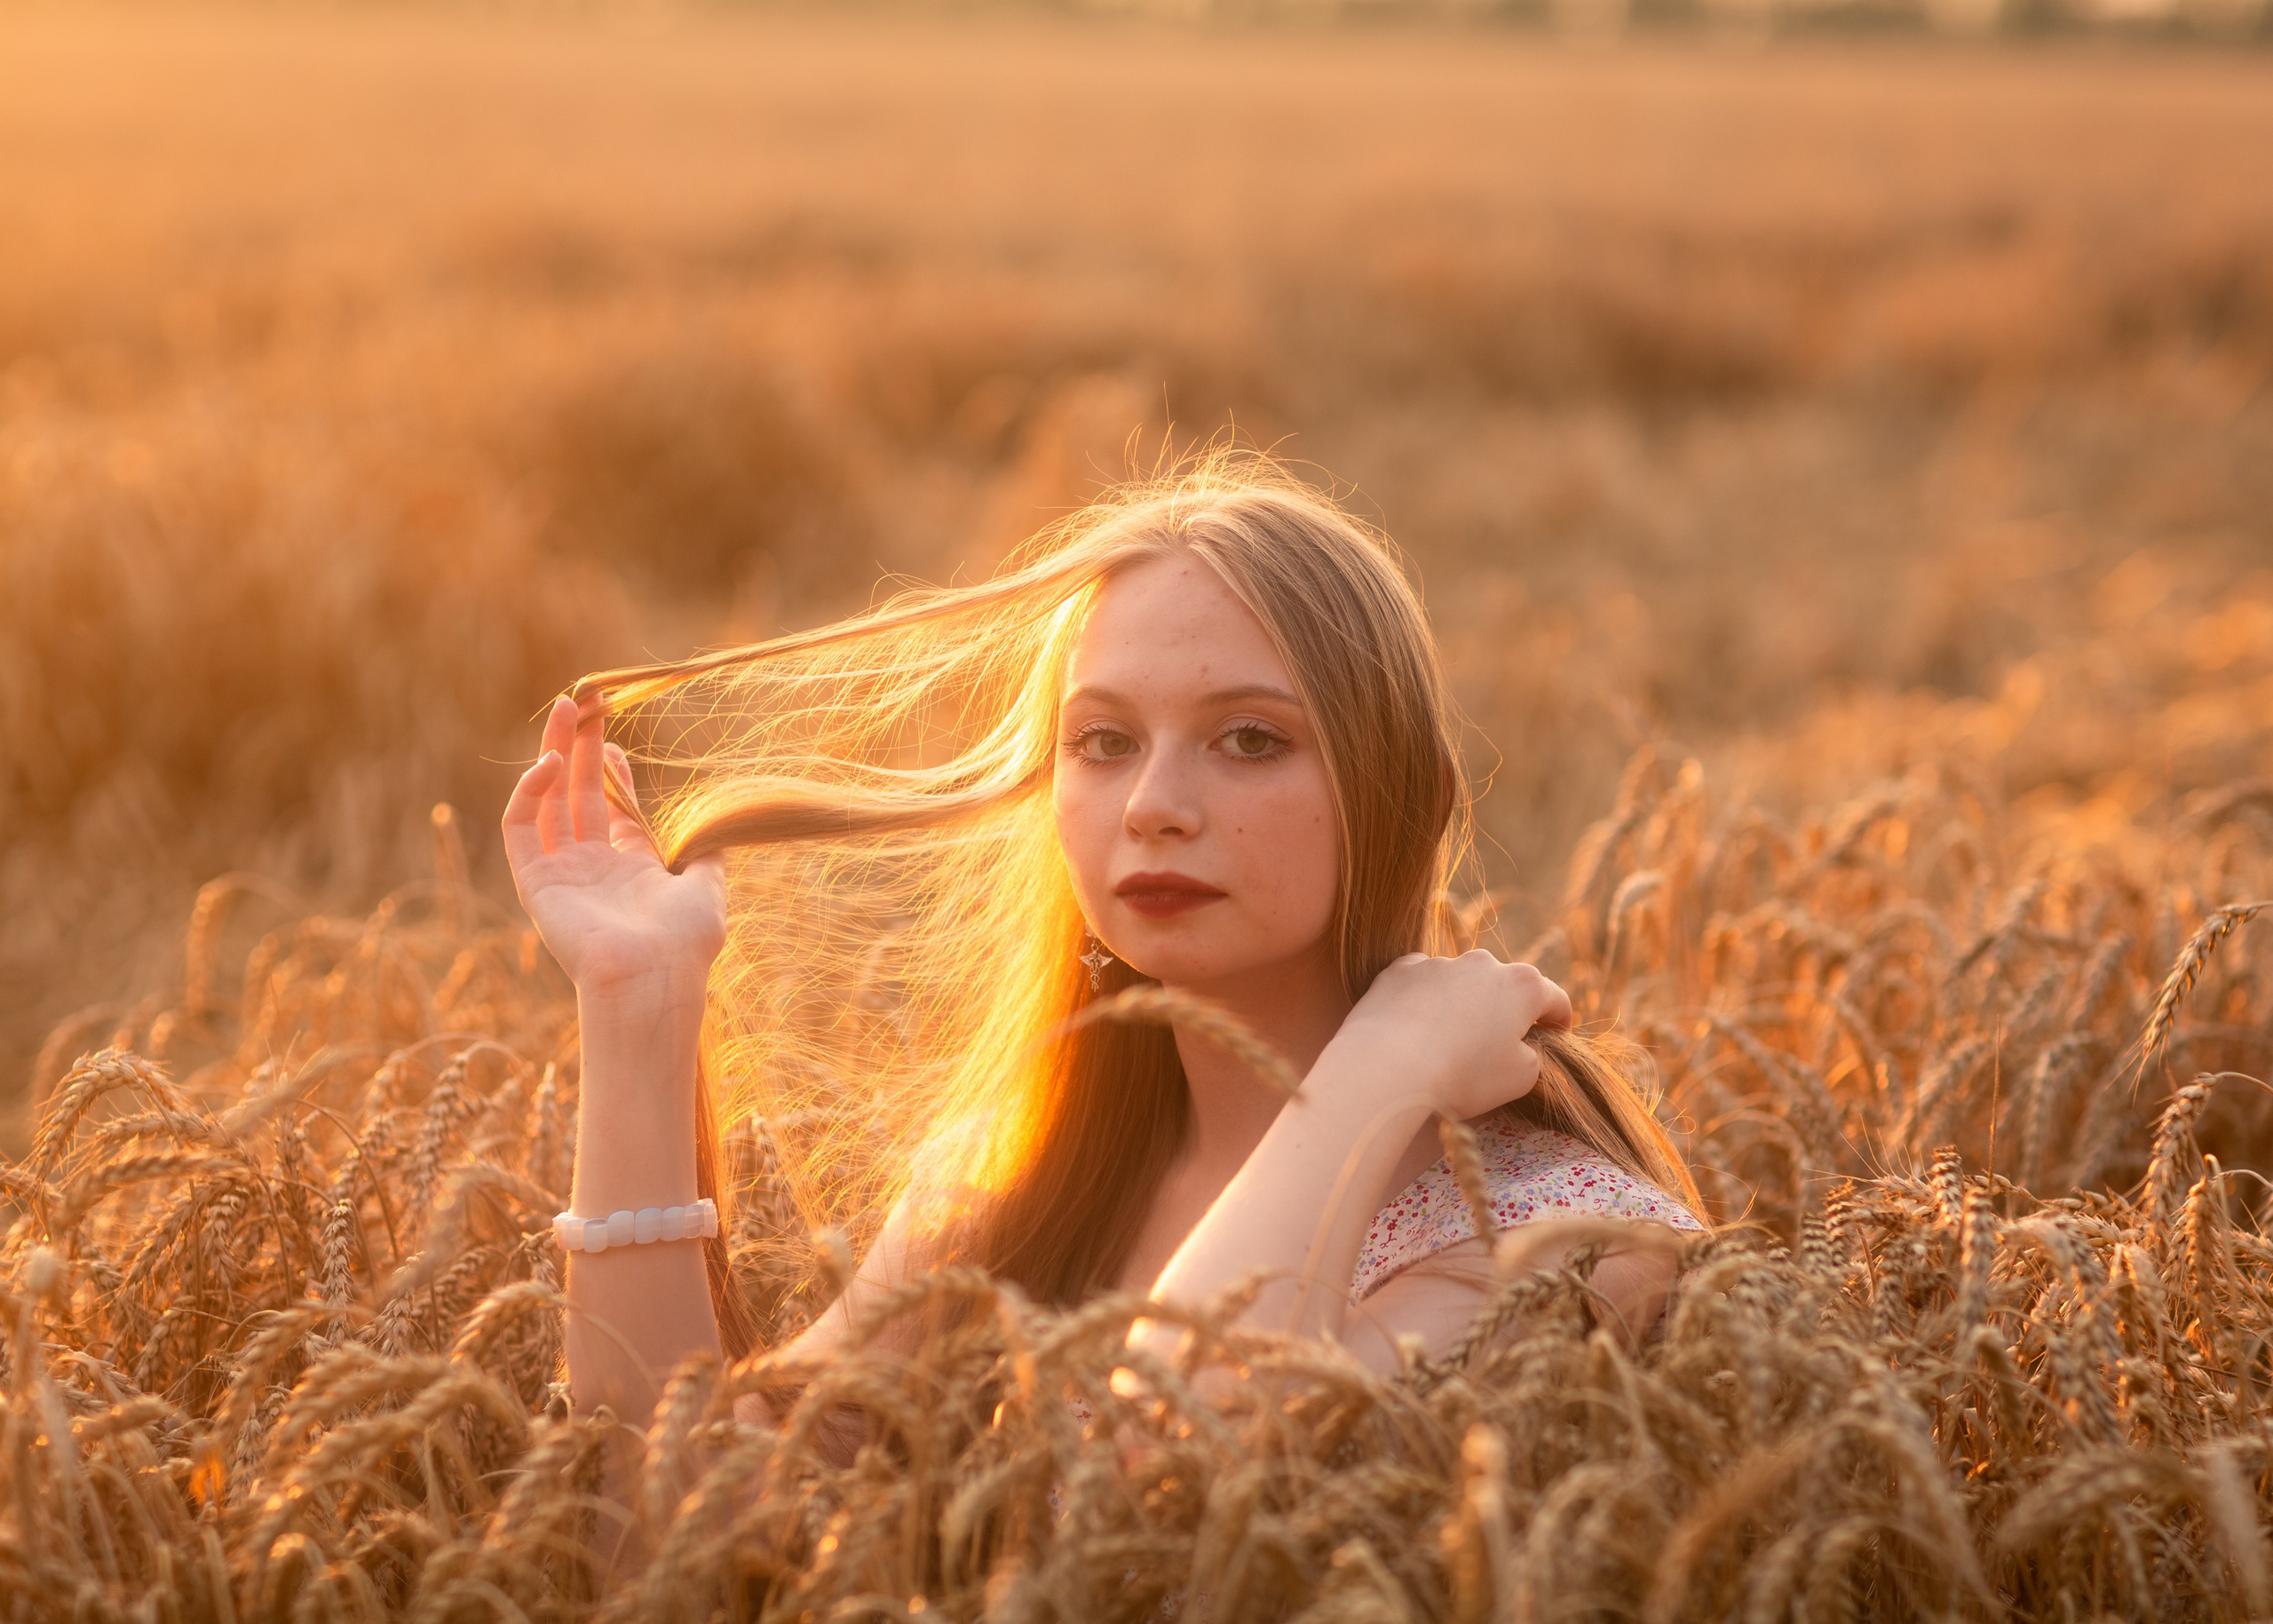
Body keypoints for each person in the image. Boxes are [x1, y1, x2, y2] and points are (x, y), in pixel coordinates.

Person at [500, 456, 1705, 1454]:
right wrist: (637, 1006)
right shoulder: (1013, 1184)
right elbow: (663, 1541)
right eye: (1105, 740)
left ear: (1408, 798)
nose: (1154, 804)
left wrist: (1381, 1067)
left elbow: (1167, 1507)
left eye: (1248, 738)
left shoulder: (1559, 1246)